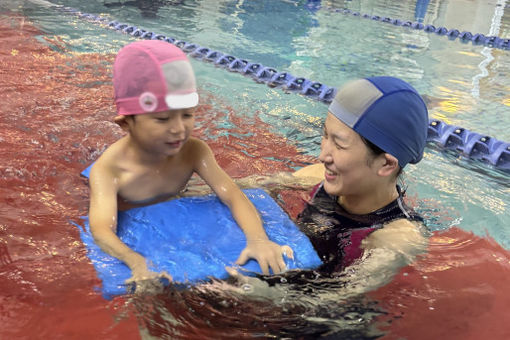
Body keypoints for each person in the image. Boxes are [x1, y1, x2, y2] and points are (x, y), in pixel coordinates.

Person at [88, 40, 291, 286]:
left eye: (187, 115)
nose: (179, 129)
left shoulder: (194, 151)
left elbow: (232, 195)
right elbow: (101, 230)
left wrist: (258, 240)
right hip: (131, 211)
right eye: (162, 119)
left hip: (177, 201)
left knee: (259, 185)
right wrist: (135, 261)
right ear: (125, 123)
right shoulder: (108, 170)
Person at [228, 76, 429, 296]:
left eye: (340, 145)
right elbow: (243, 188)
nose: (323, 155)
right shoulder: (318, 177)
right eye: (325, 135)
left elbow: (334, 298)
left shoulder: (397, 236)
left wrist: (257, 291)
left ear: (386, 164)